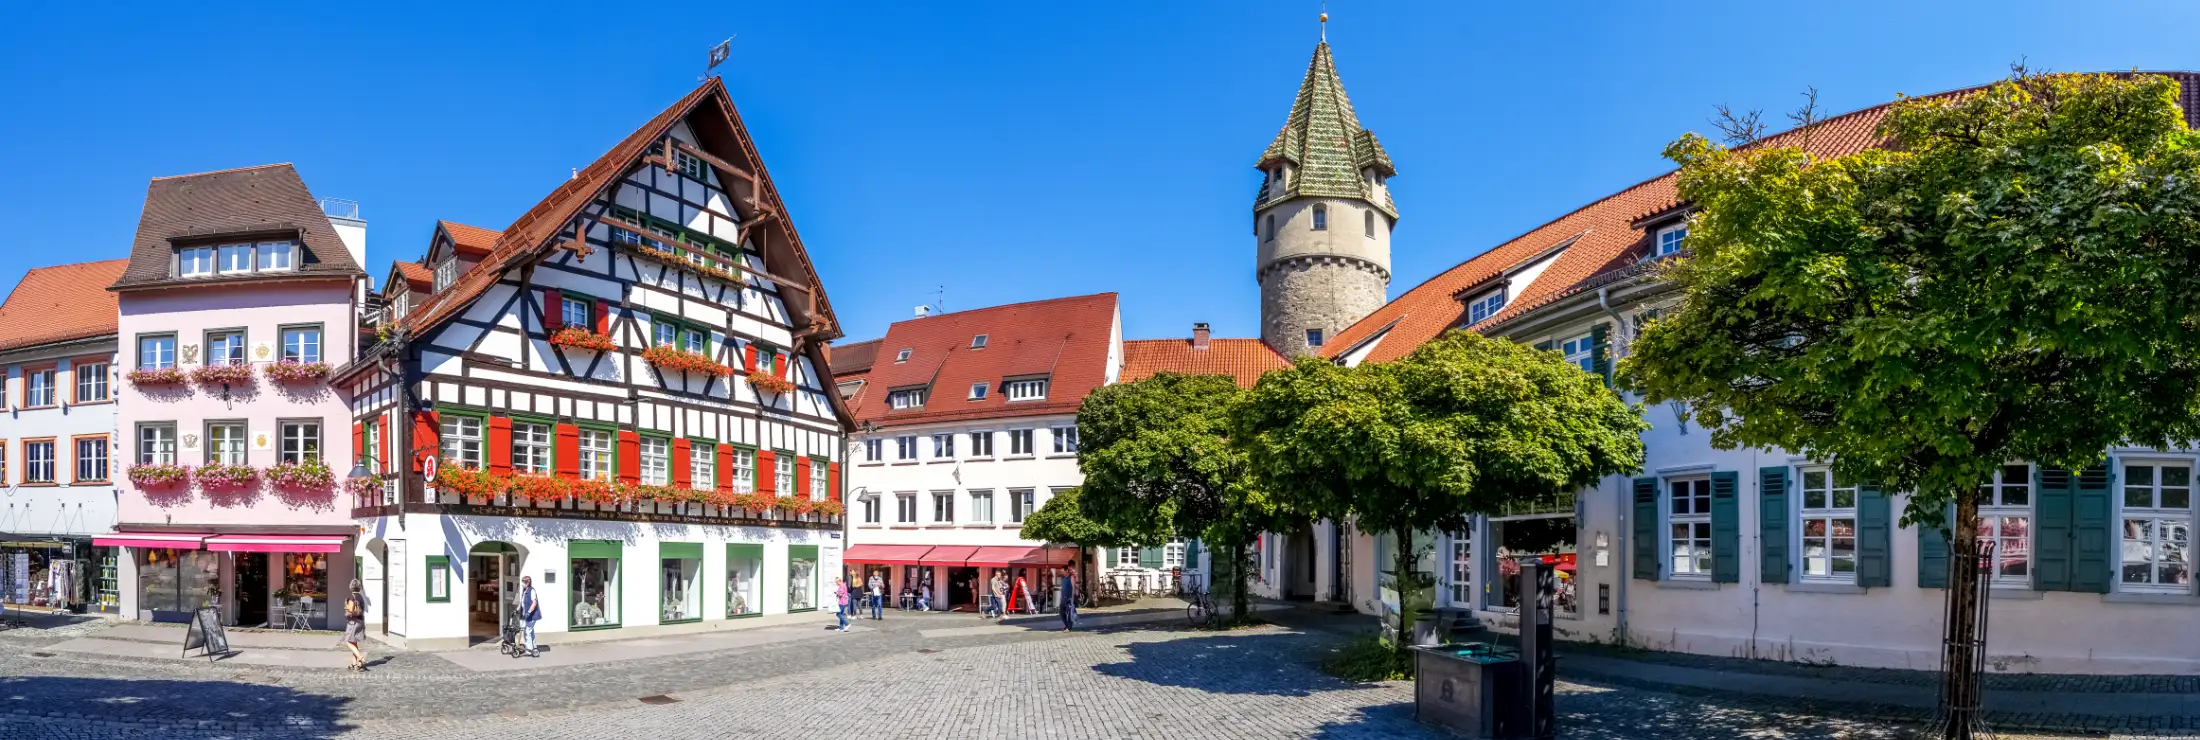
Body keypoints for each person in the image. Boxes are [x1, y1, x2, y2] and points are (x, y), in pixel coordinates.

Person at [341, 579, 367, 671]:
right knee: (354, 642)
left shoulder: (352, 598)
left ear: (351, 587)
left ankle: (360, 658)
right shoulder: (361, 598)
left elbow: (349, 612)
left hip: (353, 622)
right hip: (360, 622)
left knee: (347, 641)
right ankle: (354, 664)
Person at [517, 575, 542, 657]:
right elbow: (522, 602)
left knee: (527, 632)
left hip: (532, 615)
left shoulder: (532, 591)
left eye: (523, 582)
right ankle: (534, 647)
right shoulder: (525, 590)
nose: (522, 584)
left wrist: (529, 611)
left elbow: (534, 603)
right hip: (526, 615)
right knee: (530, 632)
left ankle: (529, 650)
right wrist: (517, 609)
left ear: (527, 582)